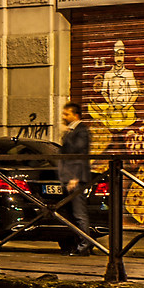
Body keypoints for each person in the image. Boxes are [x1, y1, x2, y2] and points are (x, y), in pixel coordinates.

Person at [58, 101, 95, 253]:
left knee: (79, 213)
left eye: (66, 114)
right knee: (71, 214)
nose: (63, 116)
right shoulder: (73, 131)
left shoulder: (81, 131)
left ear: (75, 115)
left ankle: (84, 245)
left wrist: (75, 178)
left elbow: (78, 153)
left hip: (76, 178)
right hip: (68, 177)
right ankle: (75, 244)